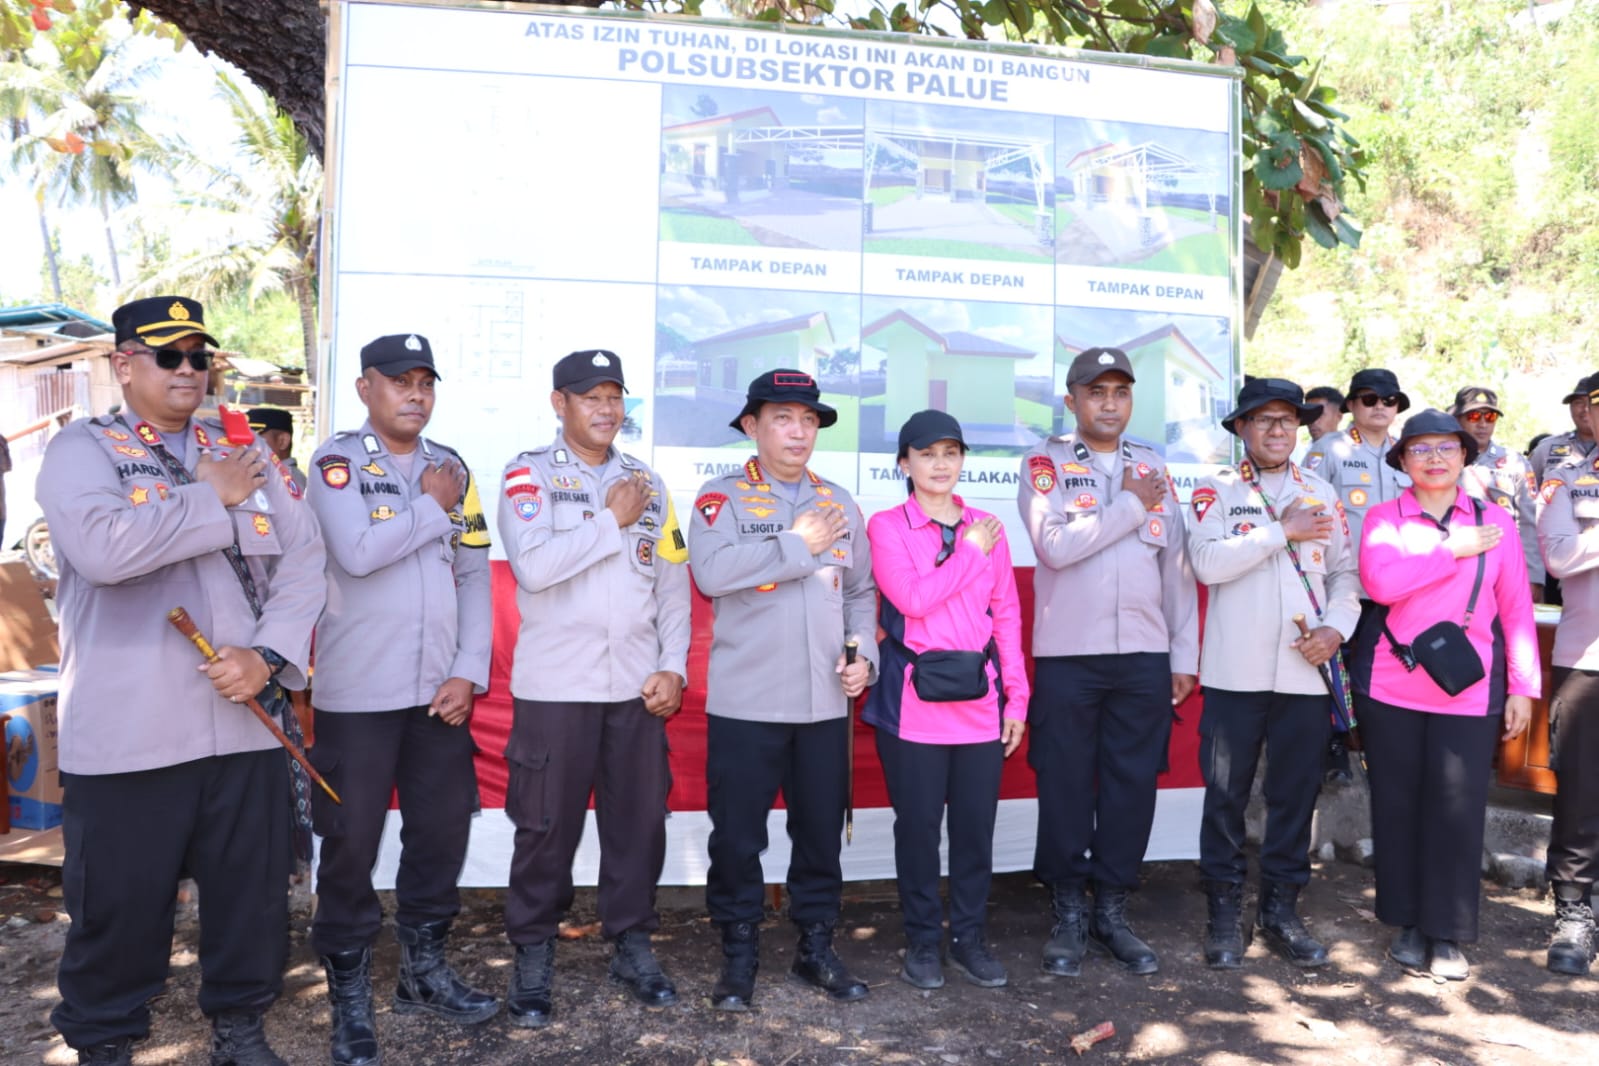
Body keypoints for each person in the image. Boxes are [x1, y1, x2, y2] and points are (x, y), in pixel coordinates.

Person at [38, 296, 325, 1066]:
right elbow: (101, 551)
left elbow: (304, 560)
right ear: (124, 364)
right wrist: (209, 498)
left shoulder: (240, 447)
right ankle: (104, 1037)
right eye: (170, 356)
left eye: (200, 356)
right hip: (133, 729)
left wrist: (266, 657)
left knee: (251, 898)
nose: (190, 370)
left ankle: (239, 1025)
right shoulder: (83, 451)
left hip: (242, 722)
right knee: (120, 906)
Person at [306, 333, 497, 1066]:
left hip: (438, 692)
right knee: (350, 846)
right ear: (365, 389)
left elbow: (474, 573)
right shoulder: (336, 463)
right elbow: (355, 552)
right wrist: (426, 508)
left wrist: (467, 669)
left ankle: (422, 971)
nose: (414, 394)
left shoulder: (453, 468)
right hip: (360, 691)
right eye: (398, 382)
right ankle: (348, 993)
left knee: (440, 832)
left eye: (425, 382)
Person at [499, 350, 691, 1027]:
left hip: (636, 687)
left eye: (614, 397)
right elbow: (533, 568)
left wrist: (674, 664)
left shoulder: (648, 482)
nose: (606, 409)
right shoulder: (529, 474)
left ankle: (631, 942)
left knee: (639, 823)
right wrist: (608, 519)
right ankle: (531, 952)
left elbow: (669, 583)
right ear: (560, 403)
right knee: (545, 828)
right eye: (590, 397)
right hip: (557, 685)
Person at [688, 368, 878, 1010]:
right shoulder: (722, 498)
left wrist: (866, 657)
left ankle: (814, 948)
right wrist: (796, 544)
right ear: (751, 426)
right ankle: (738, 956)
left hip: (825, 702)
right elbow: (712, 574)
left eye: (807, 421)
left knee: (821, 833)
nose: (798, 432)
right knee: (737, 837)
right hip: (748, 702)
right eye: (782, 419)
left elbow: (859, 593)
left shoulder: (841, 502)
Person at [1017, 346, 1198, 978]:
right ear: (1072, 400)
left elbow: (1175, 567)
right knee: (1065, 782)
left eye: (1120, 391)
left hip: (1145, 654)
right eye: (1097, 392)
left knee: (1132, 784)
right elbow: (1056, 547)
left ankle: (1112, 910)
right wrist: (1127, 505)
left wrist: (1183, 652)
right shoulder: (1045, 464)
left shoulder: (1153, 467)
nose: (1110, 403)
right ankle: (1068, 910)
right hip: (1070, 655)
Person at [1351, 408, 1538, 981]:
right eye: (1421, 449)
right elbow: (1380, 582)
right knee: (1399, 806)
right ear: (1403, 461)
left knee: (1456, 813)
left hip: (1468, 689)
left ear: (1464, 456)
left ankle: (1448, 931)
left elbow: (1517, 609)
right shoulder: (1385, 518)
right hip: (1391, 687)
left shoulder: (1497, 523)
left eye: (1446, 448)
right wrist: (1450, 549)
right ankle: (1408, 921)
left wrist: (1524, 687)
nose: (1435, 458)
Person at [1186, 379, 1360, 970]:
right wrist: (1278, 532)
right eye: (1263, 420)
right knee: (1226, 797)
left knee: (1293, 798)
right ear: (1241, 428)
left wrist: (1336, 628)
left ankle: (1281, 911)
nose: (1277, 430)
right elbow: (1206, 565)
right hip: (1234, 673)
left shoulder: (1320, 492)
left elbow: (1345, 575)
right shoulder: (1216, 491)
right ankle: (1222, 913)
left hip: (1304, 673)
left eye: (1287, 420)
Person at [864, 410, 1029, 990]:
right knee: (916, 829)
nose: (940, 464)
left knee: (975, 831)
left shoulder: (987, 524)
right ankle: (922, 942)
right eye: (927, 453)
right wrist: (969, 553)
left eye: (951, 453)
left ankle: (970, 939)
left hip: (980, 704)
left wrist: (1017, 699)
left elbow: (1005, 614)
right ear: (905, 463)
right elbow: (911, 599)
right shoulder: (888, 525)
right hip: (914, 704)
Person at [1304, 368, 1413, 782]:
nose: (1380, 407)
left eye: (1389, 400)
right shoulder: (1328, 450)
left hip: (1397, 588)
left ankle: (1373, 739)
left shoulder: (1408, 453)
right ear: (1351, 405)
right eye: (1370, 399)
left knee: (1383, 667)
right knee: (1338, 664)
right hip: (1345, 581)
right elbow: (1309, 512)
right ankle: (1334, 741)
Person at [1535, 383, 1599, 976]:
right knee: (1580, 792)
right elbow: (1556, 555)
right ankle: (1574, 914)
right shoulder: (1566, 479)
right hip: (1588, 661)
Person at [1452, 386, 1543, 602]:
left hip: (1505, 566)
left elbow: (1530, 523)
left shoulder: (1514, 462)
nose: (1482, 424)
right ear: (1458, 419)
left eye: (1490, 417)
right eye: (1474, 416)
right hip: (1456, 564)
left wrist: (1534, 577)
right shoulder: (1441, 458)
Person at [1530, 372, 1597, 479]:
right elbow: (1527, 491)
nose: (1586, 409)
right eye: (1579, 402)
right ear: (1570, 408)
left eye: (1593, 402)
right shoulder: (1545, 449)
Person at [247, 407, 307, 494]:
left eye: (255, 437)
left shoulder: (287, 481)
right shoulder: (271, 476)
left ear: (283, 441)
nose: (246, 443)